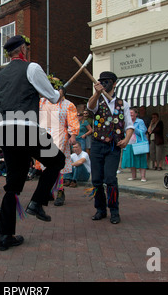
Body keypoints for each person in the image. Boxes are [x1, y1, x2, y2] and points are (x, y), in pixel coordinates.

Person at [0, 34, 65, 251]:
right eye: (27, 46)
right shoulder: (32, 68)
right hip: (25, 128)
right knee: (57, 161)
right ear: (23, 49)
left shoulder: (2, 75)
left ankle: (5, 236)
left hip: (6, 130)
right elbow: (53, 97)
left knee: (13, 186)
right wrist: (60, 92)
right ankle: (36, 202)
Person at [87, 71, 134, 224]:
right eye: (102, 81)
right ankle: (100, 209)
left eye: (107, 81)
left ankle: (114, 211)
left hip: (113, 146)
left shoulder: (123, 104)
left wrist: (126, 139)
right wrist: (96, 93)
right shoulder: (97, 100)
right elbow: (90, 106)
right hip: (97, 145)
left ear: (114, 83)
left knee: (110, 179)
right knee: (96, 180)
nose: (104, 84)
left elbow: (129, 126)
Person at [36, 74, 79, 206]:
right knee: (45, 165)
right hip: (43, 134)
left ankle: (60, 191)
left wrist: (73, 135)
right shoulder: (42, 102)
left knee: (58, 165)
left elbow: (72, 121)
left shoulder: (68, 105)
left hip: (60, 135)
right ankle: (48, 190)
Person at [121, 107, 148, 182]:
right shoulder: (126, 122)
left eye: (132, 113)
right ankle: (133, 176)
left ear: (136, 114)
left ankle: (143, 177)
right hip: (129, 143)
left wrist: (133, 129)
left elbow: (143, 132)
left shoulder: (140, 121)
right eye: (129, 114)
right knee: (131, 160)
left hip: (138, 143)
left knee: (141, 160)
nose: (130, 115)